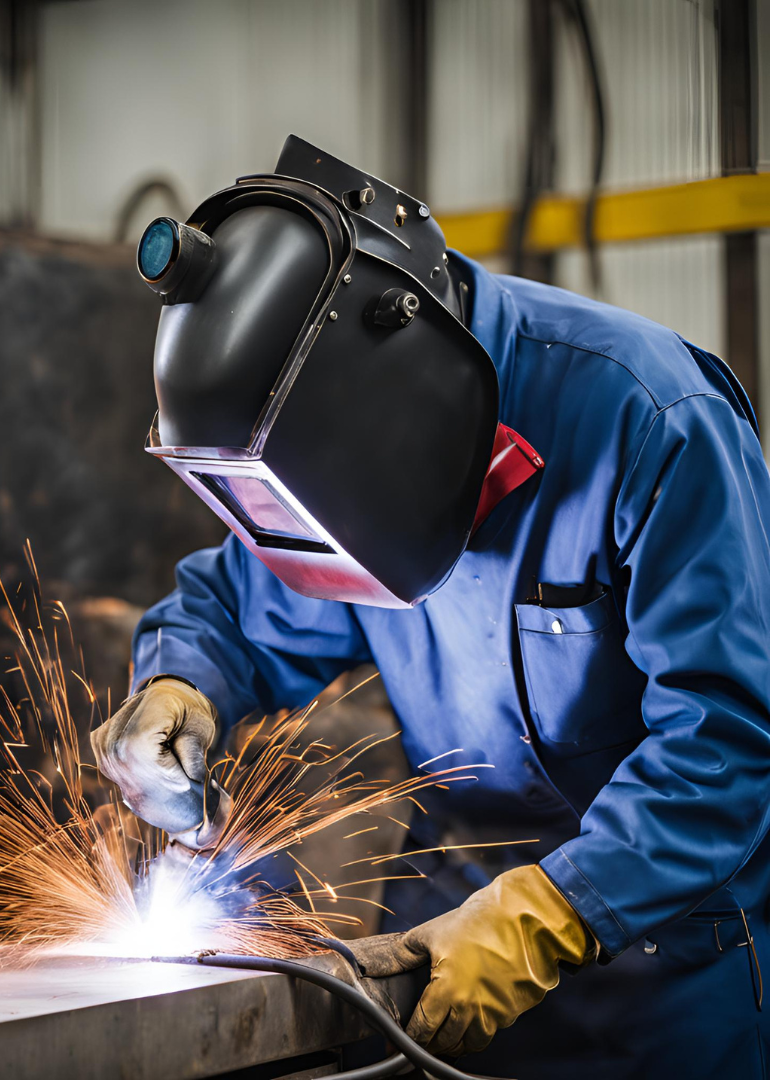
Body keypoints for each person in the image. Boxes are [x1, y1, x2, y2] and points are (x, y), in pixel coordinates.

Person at [90, 137, 770, 1078]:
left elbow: (728, 738)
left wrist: (555, 913)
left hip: (660, 954)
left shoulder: (651, 420)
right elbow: (244, 606)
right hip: (441, 924)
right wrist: (179, 687)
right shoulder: (339, 465)